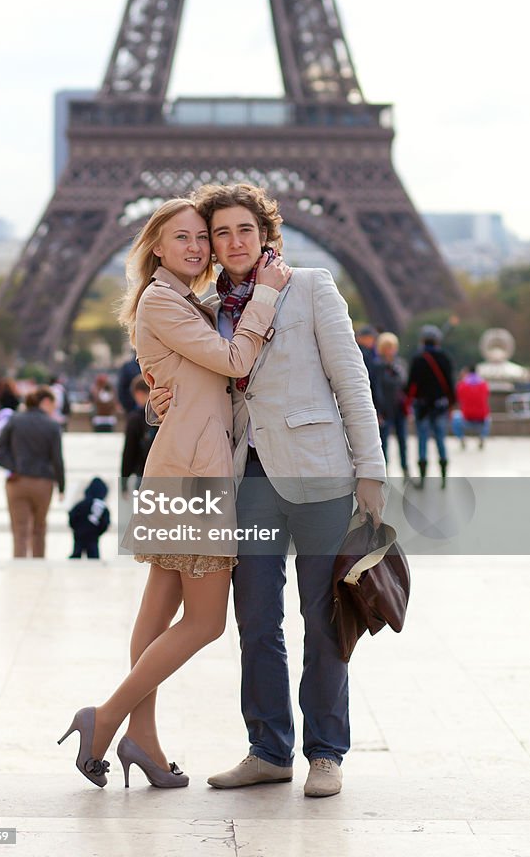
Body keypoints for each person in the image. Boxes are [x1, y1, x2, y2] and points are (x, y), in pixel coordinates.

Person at [152, 183, 386, 799]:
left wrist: (372, 473)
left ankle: (326, 753)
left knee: (323, 615)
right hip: (245, 479)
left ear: (266, 235)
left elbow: (351, 383)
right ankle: (268, 749)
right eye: (218, 233)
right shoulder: (205, 308)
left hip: (317, 475)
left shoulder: (309, 287)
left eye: (243, 231)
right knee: (255, 620)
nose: (230, 243)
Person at [57, 198, 289, 790]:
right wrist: (265, 291)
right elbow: (236, 359)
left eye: (200, 239)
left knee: (159, 609)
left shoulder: (186, 302)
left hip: (180, 465)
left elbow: (198, 379)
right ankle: (105, 718)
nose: (196, 248)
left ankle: (145, 738)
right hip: (194, 475)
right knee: (207, 622)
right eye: (181, 238)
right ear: (156, 248)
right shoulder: (164, 301)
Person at [0, 387, 65, 558]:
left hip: (17, 482)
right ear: (46, 402)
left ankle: (20, 567)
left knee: (20, 531)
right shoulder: (52, 425)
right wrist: (61, 487)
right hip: (43, 483)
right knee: (39, 529)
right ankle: (38, 565)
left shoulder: (15, 420)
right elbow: (57, 460)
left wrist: (14, 466)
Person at [406, 324, 456, 489]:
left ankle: (422, 479)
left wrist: (408, 403)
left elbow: (411, 385)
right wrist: (451, 404)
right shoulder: (445, 358)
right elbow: (449, 383)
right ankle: (443, 479)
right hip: (440, 405)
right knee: (441, 440)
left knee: (422, 442)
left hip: (422, 407)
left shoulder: (418, 359)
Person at [374, 332, 410, 480]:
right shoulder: (377, 366)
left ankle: (405, 469)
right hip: (385, 409)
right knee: (383, 442)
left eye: (392, 347)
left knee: (403, 440)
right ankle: (384, 471)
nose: (391, 350)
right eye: (388, 347)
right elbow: (376, 387)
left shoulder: (399, 365)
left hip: (399, 408)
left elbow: (404, 384)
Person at [120, 376, 156, 492]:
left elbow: (129, 451)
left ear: (139, 393)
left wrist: (124, 481)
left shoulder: (135, 418)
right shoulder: (166, 415)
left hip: (143, 473)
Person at [68, 477, 110, 559]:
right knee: (94, 557)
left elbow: (72, 516)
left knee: (76, 554)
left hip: (79, 534)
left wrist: (76, 528)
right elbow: (105, 523)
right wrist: (98, 532)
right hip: (93, 536)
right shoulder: (103, 508)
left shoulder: (80, 505)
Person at [452, 365, 491, 449]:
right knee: (488, 419)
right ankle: (482, 437)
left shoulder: (462, 385)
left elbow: (458, 398)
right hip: (482, 417)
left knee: (455, 417)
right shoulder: (484, 384)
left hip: (466, 416)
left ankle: (461, 439)